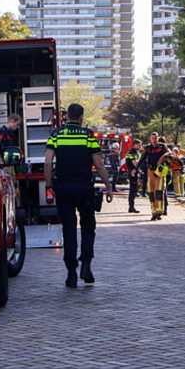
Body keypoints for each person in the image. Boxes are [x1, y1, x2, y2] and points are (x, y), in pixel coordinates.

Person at [45, 103, 114, 288]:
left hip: (64, 189)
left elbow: (48, 161)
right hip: (84, 189)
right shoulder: (88, 136)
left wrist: (49, 184)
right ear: (81, 117)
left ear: (67, 117)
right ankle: (86, 266)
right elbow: (99, 165)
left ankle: (71, 273)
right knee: (88, 228)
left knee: (68, 230)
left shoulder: (56, 135)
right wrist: (108, 187)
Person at [140, 132, 170, 221]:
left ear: (158, 138)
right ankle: (153, 212)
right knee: (151, 193)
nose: (153, 140)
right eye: (152, 138)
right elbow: (142, 159)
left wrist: (166, 161)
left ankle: (159, 212)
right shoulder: (148, 148)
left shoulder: (163, 147)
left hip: (160, 172)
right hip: (151, 171)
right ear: (150, 139)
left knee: (159, 191)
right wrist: (136, 169)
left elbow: (170, 155)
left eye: (155, 138)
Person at [124, 139, 142, 213]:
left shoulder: (135, 152)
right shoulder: (132, 152)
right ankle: (131, 207)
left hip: (134, 172)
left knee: (134, 190)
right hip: (132, 173)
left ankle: (131, 206)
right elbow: (135, 163)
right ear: (135, 144)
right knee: (132, 190)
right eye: (139, 145)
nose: (140, 146)